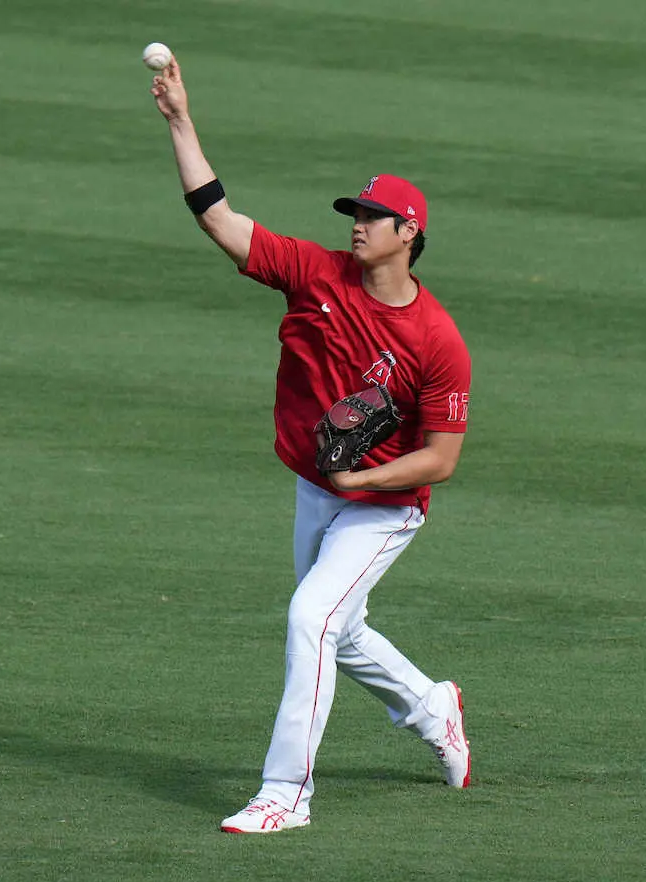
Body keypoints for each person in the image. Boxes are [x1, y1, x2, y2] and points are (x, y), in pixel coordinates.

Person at [150, 56, 473, 834]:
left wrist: (366, 485)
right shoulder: (313, 273)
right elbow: (219, 219)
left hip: (386, 505)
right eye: (353, 212)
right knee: (340, 626)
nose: (355, 224)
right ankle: (434, 707)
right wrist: (180, 121)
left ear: (409, 233)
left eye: (371, 215)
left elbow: (442, 458)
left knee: (309, 617)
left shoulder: (439, 342)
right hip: (316, 487)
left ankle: (286, 794)